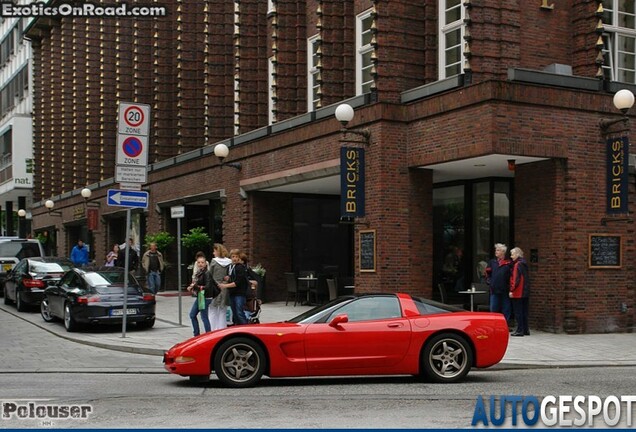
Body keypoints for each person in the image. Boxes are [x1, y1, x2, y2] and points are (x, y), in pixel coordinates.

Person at [218, 249, 249, 326]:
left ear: (239, 257)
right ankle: (238, 328)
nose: (234, 258)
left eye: (236, 256)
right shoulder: (230, 267)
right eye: (233, 256)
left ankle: (245, 328)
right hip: (232, 293)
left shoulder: (240, 267)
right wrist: (228, 278)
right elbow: (232, 278)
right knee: (234, 313)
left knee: (239, 312)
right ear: (230, 258)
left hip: (239, 293)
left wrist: (225, 286)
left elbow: (237, 282)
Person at [187, 254, 214, 336]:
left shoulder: (207, 273)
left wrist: (196, 287)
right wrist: (192, 287)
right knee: (192, 315)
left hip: (204, 297)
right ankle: (196, 334)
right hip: (200, 296)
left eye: (202, 262)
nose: (200, 264)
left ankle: (208, 334)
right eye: (198, 262)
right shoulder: (199, 272)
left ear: (205, 263)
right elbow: (197, 284)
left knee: (204, 316)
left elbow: (208, 286)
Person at [485, 243, 512, 323]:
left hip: (505, 290)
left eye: (498, 250)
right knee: (494, 308)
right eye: (496, 250)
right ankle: (494, 324)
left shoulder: (508, 263)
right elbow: (487, 273)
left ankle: (504, 324)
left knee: (506, 308)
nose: (496, 252)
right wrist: (489, 281)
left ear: (503, 252)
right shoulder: (492, 262)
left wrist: (509, 286)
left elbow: (512, 276)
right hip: (494, 289)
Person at [207, 244, 232, 330]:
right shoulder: (229, 262)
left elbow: (210, 274)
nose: (213, 253)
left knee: (213, 309)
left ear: (217, 251)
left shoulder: (214, 261)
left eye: (214, 251)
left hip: (215, 287)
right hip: (225, 287)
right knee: (223, 310)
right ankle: (222, 329)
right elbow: (231, 274)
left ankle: (212, 329)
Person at [509, 247, 530, 337]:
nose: (511, 256)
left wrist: (511, 290)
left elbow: (516, 279)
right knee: (524, 311)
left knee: (518, 312)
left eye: (512, 254)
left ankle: (519, 330)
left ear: (517, 254)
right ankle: (526, 330)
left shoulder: (517, 265)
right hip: (525, 291)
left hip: (518, 292)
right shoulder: (524, 263)